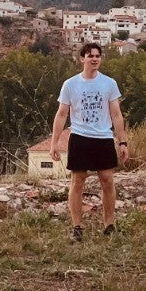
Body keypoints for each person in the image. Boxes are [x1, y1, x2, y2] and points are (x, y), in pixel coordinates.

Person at [51, 43, 128, 241]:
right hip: (80, 137)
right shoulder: (70, 84)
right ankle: (77, 227)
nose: (94, 59)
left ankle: (109, 225)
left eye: (97, 56)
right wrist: (54, 142)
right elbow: (61, 114)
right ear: (82, 59)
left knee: (107, 180)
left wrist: (123, 142)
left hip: (103, 138)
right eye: (90, 55)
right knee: (77, 181)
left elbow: (116, 114)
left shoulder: (109, 84)